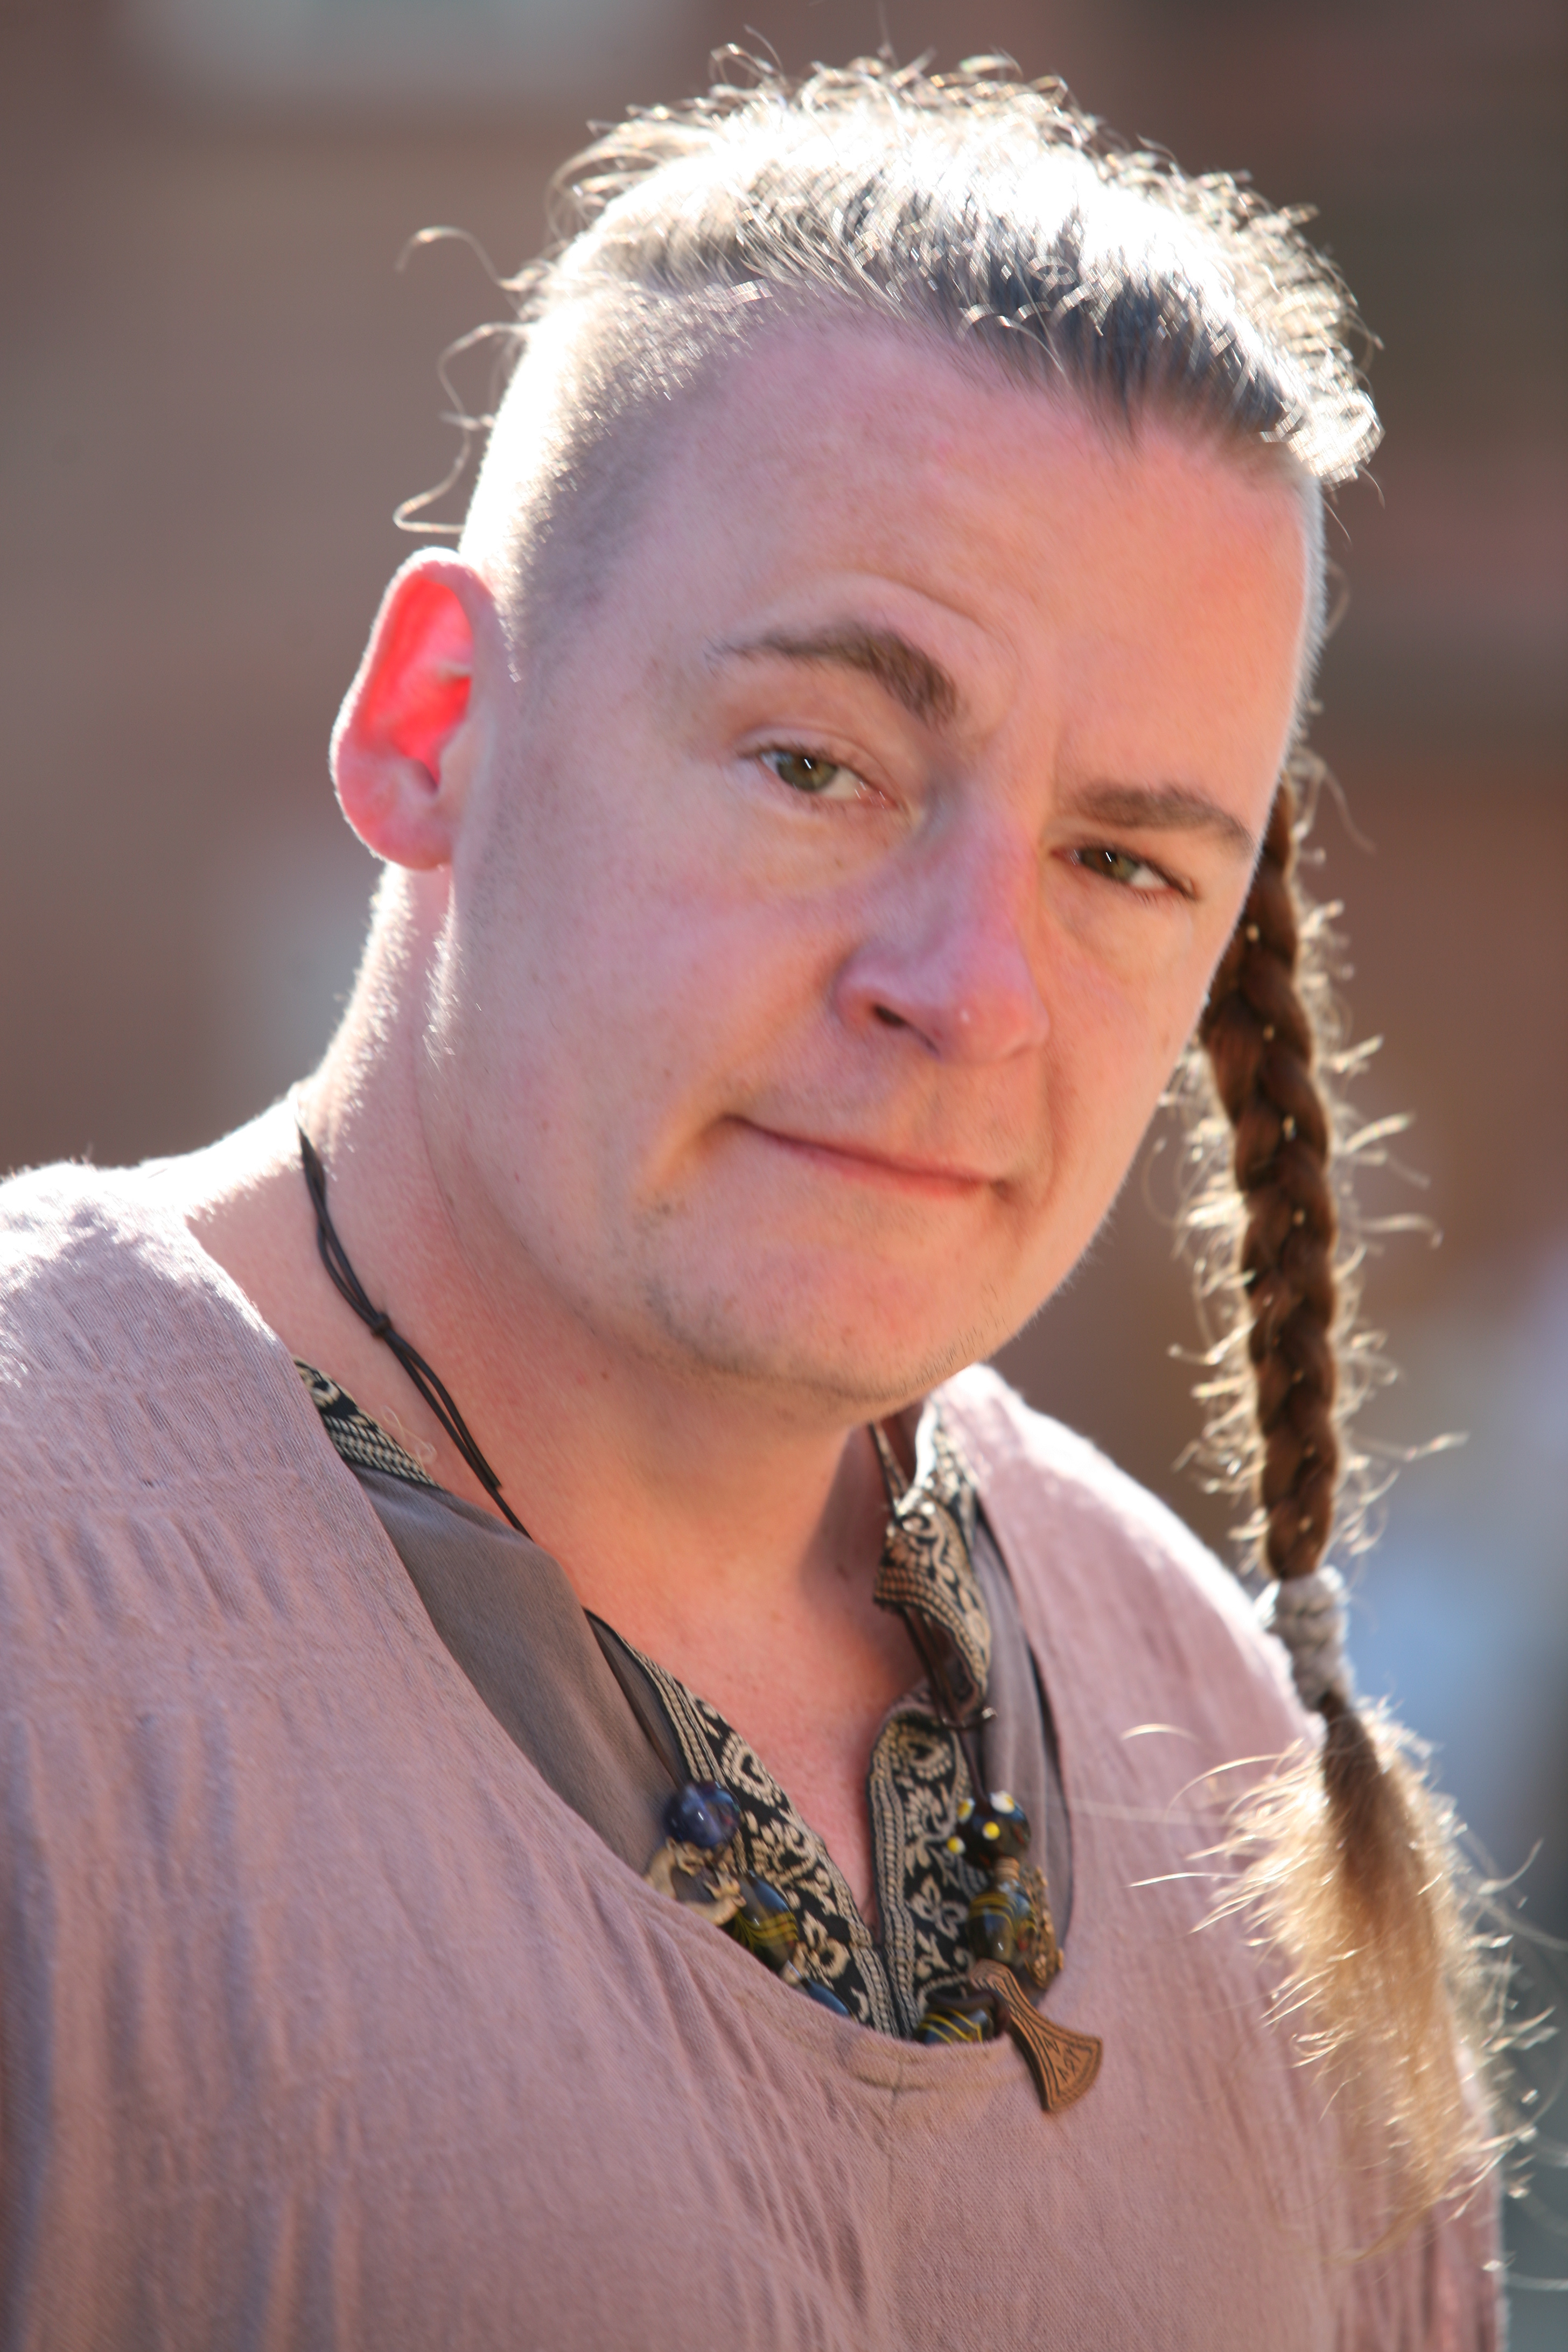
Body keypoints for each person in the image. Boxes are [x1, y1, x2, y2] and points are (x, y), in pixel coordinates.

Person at [0, 54, 1504, 2348]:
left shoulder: (1225, 1773)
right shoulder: (46, 1600)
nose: (967, 991)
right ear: (435, 722)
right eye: (818, 763)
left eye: (1118, 862)